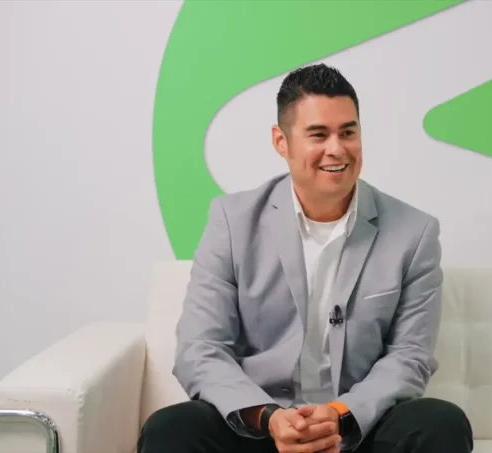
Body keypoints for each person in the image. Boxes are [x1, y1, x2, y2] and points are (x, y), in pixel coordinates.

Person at [138, 64, 473, 453]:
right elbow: (200, 348)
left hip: (355, 430)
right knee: (170, 429)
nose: (337, 149)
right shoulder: (232, 222)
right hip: (261, 428)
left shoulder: (414, 233)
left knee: (441, 423)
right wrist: (270, 418)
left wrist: (339, 414)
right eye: (318, 134)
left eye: (348, 132)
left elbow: (409, 357)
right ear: (281, 142)